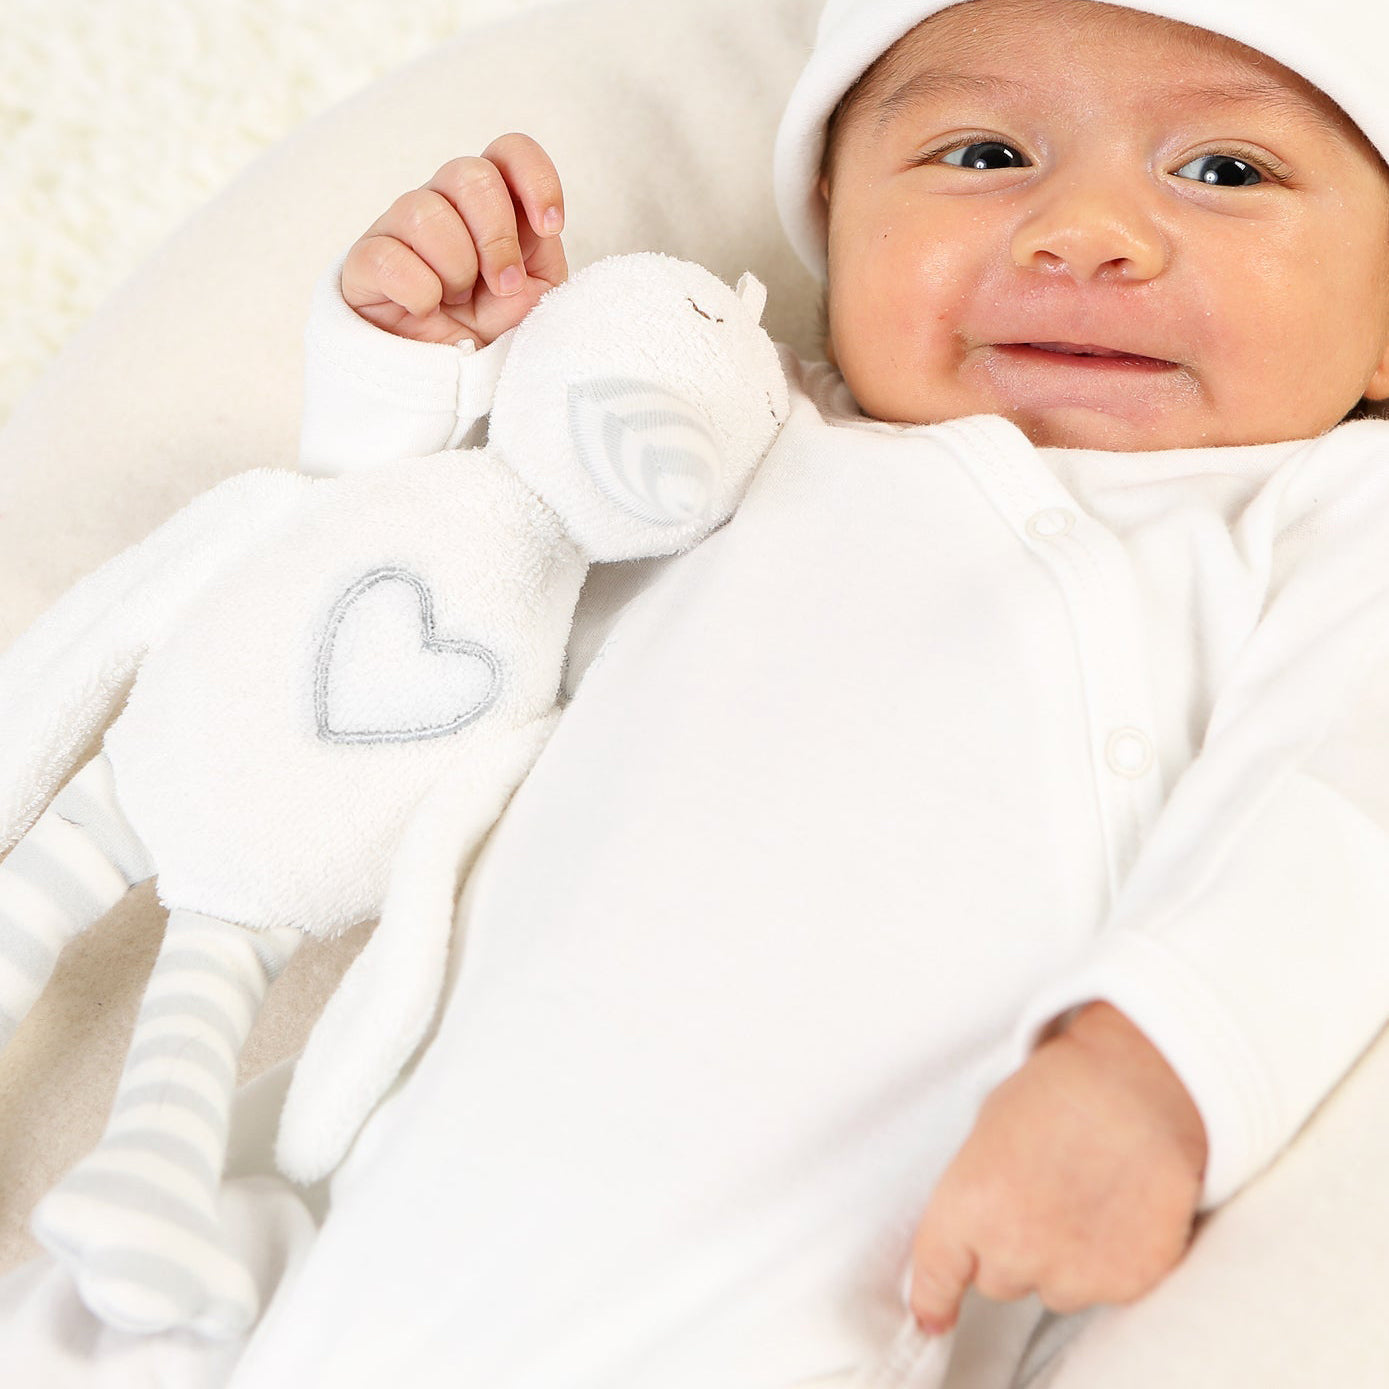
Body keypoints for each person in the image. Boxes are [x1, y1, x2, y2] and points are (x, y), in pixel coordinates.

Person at [6, 0, 1389, 1385]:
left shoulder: (1325, 517)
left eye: (1225, 171)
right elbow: (397, 633)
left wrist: (1154, 1067)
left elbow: (1339, 792)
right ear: (834, 220)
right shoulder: (724, 430)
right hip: (371, 1212)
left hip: (807, 1284)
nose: (1080, 232)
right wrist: (425, 383)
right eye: (981, 154)